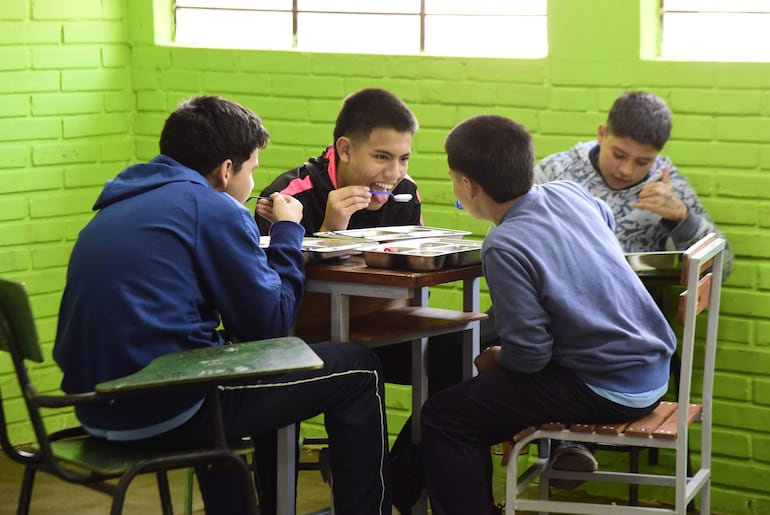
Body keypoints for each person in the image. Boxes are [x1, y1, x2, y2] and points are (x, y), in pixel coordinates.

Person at [52, 95, 392, 515]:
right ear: (226, 170)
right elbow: (270, 326)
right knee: (359, 367)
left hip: (94, 405)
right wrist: (288, 230)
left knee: (216, 364)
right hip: (164, 407)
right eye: (252, 169)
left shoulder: (118, 202)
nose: (252, 183)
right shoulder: (212, 207)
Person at [404, 114, 678, 514]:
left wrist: (498, 358)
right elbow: (606, 218)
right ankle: (403, 482)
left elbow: (530, 357)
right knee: (464, 391)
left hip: (608, 387)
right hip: (652, 370)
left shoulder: (503, 244)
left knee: (446, 418)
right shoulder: (569, 192)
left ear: (468, 186)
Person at [253, 87, 430, 514]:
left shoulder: (405, 193)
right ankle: (277, 505)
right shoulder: (290, 195)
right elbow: (267, 287)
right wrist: (332, 230)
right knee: (280, 385)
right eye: (382, 157)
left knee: (459, 359)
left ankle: (393, 481)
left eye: (403, 158)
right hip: (305, 340)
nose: (394, 173)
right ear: (345, 150)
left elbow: (416, 266)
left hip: (384, 330)